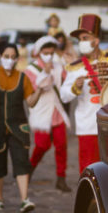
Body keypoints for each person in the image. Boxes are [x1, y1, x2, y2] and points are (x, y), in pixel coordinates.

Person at [0, 42, 45, 212]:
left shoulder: (23, 78)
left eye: (12, 57)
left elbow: (30, 102)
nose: (9, 60)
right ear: (0, 57)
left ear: (17, 59)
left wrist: (39, 90)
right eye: (6, 56)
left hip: (18, 127)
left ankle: (25, 199)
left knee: (22, 162)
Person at [60, 14, 108, 173]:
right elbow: (64, 95)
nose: (81, 42)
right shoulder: (76, 67)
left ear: (95, 40)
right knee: (90, 170)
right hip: (88, 125)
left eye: (84, 38)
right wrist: (75, 88)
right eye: (80, 39)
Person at [24, 36, 70, 191]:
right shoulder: (30, 70)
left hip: (57, 110)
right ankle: (30, 168)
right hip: (41, 111)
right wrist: (45, 73)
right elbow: (34, 88)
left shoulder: (58, 66)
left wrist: (70, 65)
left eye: (51, 52)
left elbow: (66, 81)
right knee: (42, 145)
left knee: (61, 145)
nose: (49, 55)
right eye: (45, 52)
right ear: (38, 52)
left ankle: (61, 178)